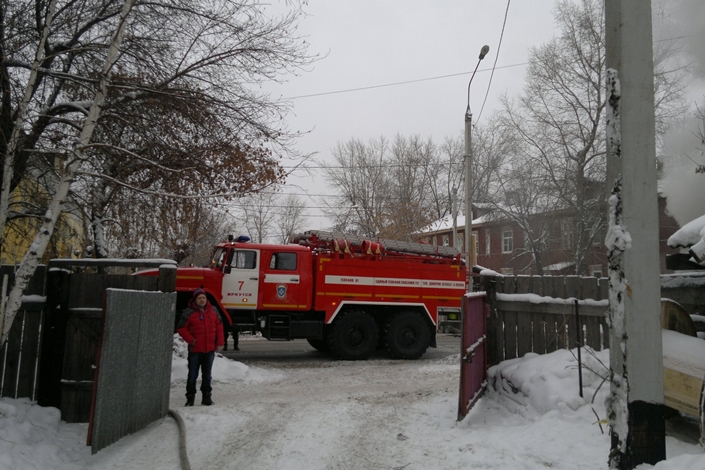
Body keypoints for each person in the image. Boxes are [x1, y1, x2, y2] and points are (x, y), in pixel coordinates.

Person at [177, 289, 224, 406]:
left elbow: (219, 327)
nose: (202, 300)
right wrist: (192, 340)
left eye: (203, 297)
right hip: (195, 350)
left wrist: (220, 343)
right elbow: (181, 328)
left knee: (207, 374)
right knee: (193, 374)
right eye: (199, 298)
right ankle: (190, 398)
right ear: (195, 300)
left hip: (209, 350)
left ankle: (207, 397)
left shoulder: (213, 311)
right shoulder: (189, 312)